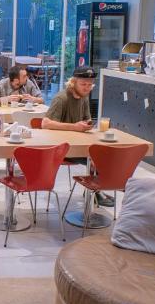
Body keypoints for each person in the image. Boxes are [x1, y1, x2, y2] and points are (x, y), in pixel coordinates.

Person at [41, 67, 114, 206]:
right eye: (83, 84)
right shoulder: (61, 98)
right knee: (97, 156)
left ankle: (96, 190)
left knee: (105, 153)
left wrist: (88, 125)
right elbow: (45, 123)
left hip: (79, 144)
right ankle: (96, 192)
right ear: (73, 82)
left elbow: (86, 119)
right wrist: (74, 127)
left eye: (90, 84)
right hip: (61, 148)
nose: (87, 88)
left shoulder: (84, 97)